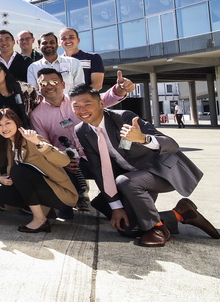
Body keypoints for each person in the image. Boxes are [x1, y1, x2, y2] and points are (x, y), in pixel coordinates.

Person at [70, 85, 218, 247]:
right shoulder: (82, 130)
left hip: (161, 173)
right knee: (122, 223)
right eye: (76, 106)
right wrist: (116, 207)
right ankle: (181, 213)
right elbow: (98, 168)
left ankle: (157, 229)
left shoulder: (124, 117)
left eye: (87, 104)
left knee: (125, 182)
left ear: (101, 104)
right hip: (132, 176)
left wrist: (143, 139)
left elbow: (172, 145)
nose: (81, 110)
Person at [29, 68, 132, 213]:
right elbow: (44, 144)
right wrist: (61, 160)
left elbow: (105, 98)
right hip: (67, 161)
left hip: (98, 154)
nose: (49, 86)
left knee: (122, 177)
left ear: (63, 84)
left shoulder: (77, 100)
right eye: (43, 83)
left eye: (53, 81)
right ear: (38, 87)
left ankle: (109, 204)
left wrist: (120, 89)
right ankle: (75, 198)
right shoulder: (37, 114)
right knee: (65, 207)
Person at [0, 108, 77, 233]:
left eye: (8, 123)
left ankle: (40, 219)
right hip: (42, 189)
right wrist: (1, 178)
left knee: (19, 170)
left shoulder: (31, 138)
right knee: (0, 192)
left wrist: (38, 142)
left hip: (59, 192)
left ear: (16, 122)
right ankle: (45, 209)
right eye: (0, 125)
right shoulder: (8, 144)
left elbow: (64, 161)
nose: (4, 128)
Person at [0, 60, 31, 129]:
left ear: (5, 72)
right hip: (0, 133)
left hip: (23, 130)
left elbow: (34, 108)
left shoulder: (23, 88)